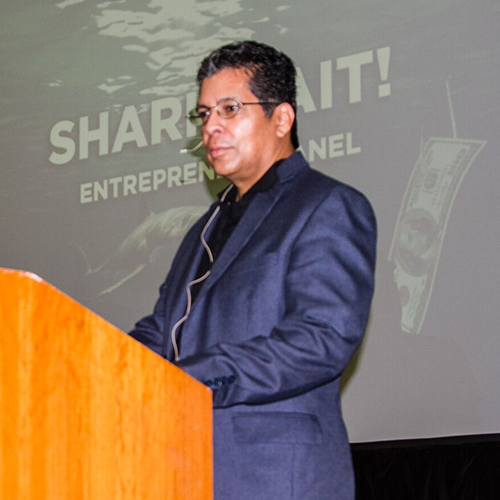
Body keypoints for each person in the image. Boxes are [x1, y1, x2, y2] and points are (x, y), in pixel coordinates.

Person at [130, 40, 376, 500]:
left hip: (275, 478)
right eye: (204, 114)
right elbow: (162, 330)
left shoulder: (327, 205)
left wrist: (190, 380)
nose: (211, 127)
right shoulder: (203, 228)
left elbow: (321, 338)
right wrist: (95, 363)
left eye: (229, 109)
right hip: (185, 473)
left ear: (281, 119)